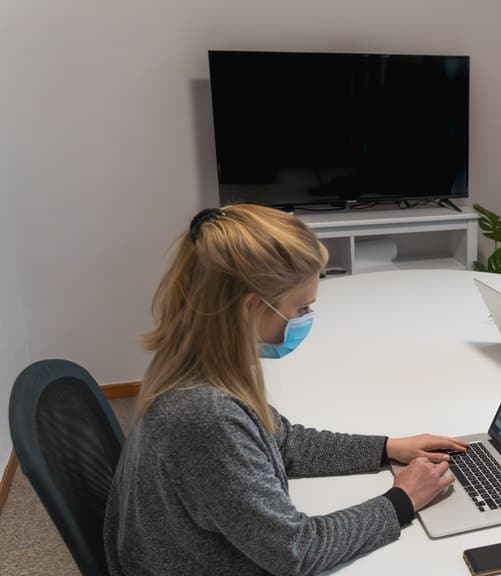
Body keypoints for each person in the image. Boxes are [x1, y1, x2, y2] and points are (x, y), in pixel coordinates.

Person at [104, 205, 466, 575]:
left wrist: (386, 449)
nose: (306, 318)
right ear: (250, 309)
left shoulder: (193, 361)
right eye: (301, 308)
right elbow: (297, 552)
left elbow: (283, 441)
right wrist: (402, 500)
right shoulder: (206, 414)